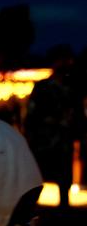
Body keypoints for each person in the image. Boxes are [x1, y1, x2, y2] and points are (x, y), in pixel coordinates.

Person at [25, 44, 84, 209]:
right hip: (44, 140)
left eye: (68, 60)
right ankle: (31, 209)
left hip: (64, 141)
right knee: (38, 177)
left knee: (64, 178)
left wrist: (77, 132)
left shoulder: (73, 88)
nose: (67, 63)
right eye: (63, 60)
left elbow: (79, 116)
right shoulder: (43, 87)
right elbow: (32, 115)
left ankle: (63, 210)